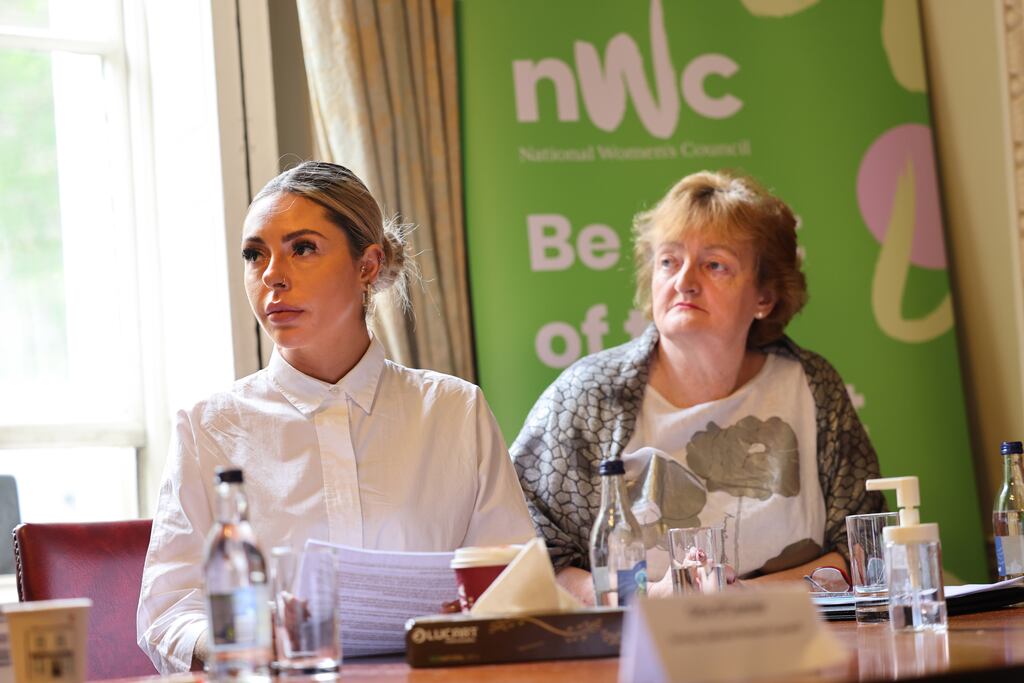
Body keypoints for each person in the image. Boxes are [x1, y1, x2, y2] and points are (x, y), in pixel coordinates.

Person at [137, 161, 535, 673]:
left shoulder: (455, 410)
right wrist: (243, 639)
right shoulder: (206, 428)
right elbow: (168, 609)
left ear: (367, 265)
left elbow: (516, 587)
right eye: (255, 254)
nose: (271, 275)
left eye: (302, 248)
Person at [511, 170, 883, 603]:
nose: (684, 281)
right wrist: (648, 600)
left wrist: (740, 596)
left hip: (796, 637)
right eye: (668, 261)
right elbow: (529, 557)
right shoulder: (588, 395)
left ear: (764, 297)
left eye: (714, 265)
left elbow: (863, 549)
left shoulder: (813, 386)